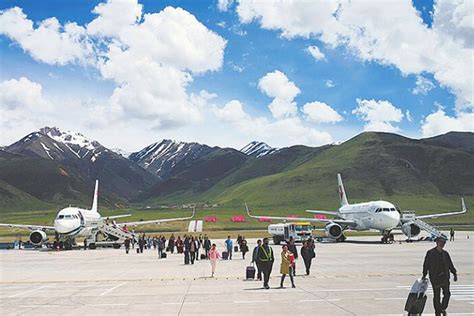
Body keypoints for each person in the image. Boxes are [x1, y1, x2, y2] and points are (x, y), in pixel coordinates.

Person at [422, 236, 457, 316]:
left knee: (447, 294)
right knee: (437, 295)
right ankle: (437, 312)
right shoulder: (430, 253)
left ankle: (442, 308)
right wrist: (424, 274)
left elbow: (450, 265)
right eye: (441, 242)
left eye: (443, 243)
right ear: (437, 242)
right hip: (435, 278)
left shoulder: (445, 254)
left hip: (445, 277)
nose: (442, 244)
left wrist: (454, 273)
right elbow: (426, 264)